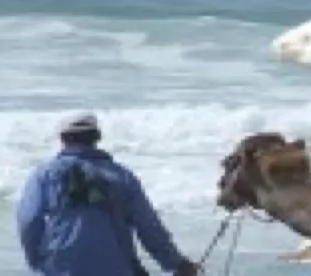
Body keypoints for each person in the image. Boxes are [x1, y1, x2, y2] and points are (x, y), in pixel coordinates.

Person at [16, 112, 200, 276]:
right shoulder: (122, 176)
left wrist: (37, 261)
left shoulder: (43, 174)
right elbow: (149, 227)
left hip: (60, 267)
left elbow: (28, 220)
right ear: (97, 137)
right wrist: (175, 263)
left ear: (62, 139)